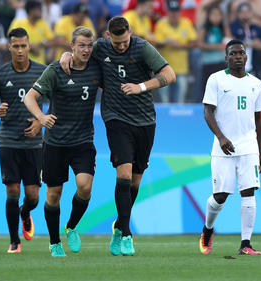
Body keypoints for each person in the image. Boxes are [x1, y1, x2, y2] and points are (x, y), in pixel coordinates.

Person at [60, 16, 176, 255]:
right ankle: (127, 234)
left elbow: (170, 74)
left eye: (125, 41)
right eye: (117, 42)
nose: (122, 46)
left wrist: (141, 86)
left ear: (130, 33)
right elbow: (78, 51)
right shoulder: (100, 47)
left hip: (145, 121)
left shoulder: (142, 47)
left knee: (134, 181)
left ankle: (118, 226)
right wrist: (65, 55)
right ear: (108, 37)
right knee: (123, 175)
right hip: (115, 118)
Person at [24, 26, 101, 257]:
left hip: (83, 141)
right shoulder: (55, 70)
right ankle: (54, 242)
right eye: (81, 46)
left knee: (85, 187)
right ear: (72, 46)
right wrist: (41, 117)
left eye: (89, 45)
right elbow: (30, 97)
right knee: (53, 195)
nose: (86, 50)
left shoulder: (97, 67)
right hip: (55, 143)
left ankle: (72, 226)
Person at [199, 39, 261, 256]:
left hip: (248, 147)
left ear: (246, 57)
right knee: (221, 196)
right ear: (226, 57)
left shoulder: (256, 83)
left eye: (241, 53)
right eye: (233, 53)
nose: (238, 56)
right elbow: (208, 112)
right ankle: (208, 229)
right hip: (223, 148)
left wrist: (260, 151)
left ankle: (246, 243)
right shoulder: (216, 79)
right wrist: (221, 137)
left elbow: (258, 119)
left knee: (249, 192)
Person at [0, 27, 46, 253]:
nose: (20, 50)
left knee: (33, 196)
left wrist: (40, 122)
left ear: (29, 46)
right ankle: (14, 241)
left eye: (23, 46)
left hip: (34, 143)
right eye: (15, 46)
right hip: (8, 140)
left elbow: (56, 103)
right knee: (12, 190)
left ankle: (25, 212)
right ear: (9, 47)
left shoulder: (42, 72)